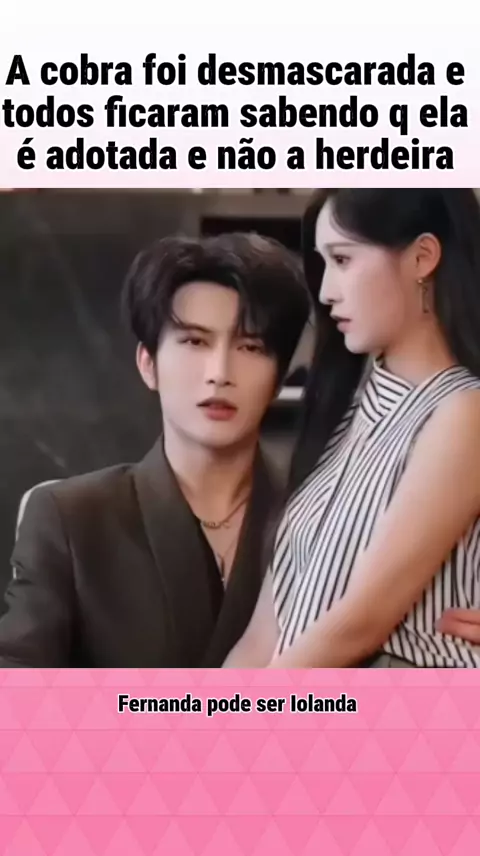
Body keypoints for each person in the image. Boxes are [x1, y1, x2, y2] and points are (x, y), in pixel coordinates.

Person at [0, 232, 311, 667]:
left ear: (279, 378)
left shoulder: (319, 518)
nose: (220, 372)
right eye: (195, 342)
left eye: (250, 347)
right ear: (148, 364)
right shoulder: (71, 517)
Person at [225, 189, 480, 669]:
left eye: (343, 259)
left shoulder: (463, 411)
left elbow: (359, 623)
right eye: (323, 264)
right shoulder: (343, 418)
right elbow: (263, 638)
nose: (325, 292)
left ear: (423, 257)